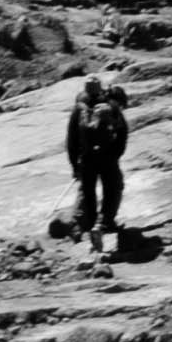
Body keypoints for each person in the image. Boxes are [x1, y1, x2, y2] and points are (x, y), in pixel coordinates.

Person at [64, 76, 128, 238]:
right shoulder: (111, 106)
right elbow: (122, 132)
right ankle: (104, 223)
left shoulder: (79, 109)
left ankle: (85, 226)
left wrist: (75, 165)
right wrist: (116, 154)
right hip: (108, 157)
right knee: (113, 188)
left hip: (87, 158)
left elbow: (71, 140)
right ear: (100, 88)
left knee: (87, 193)